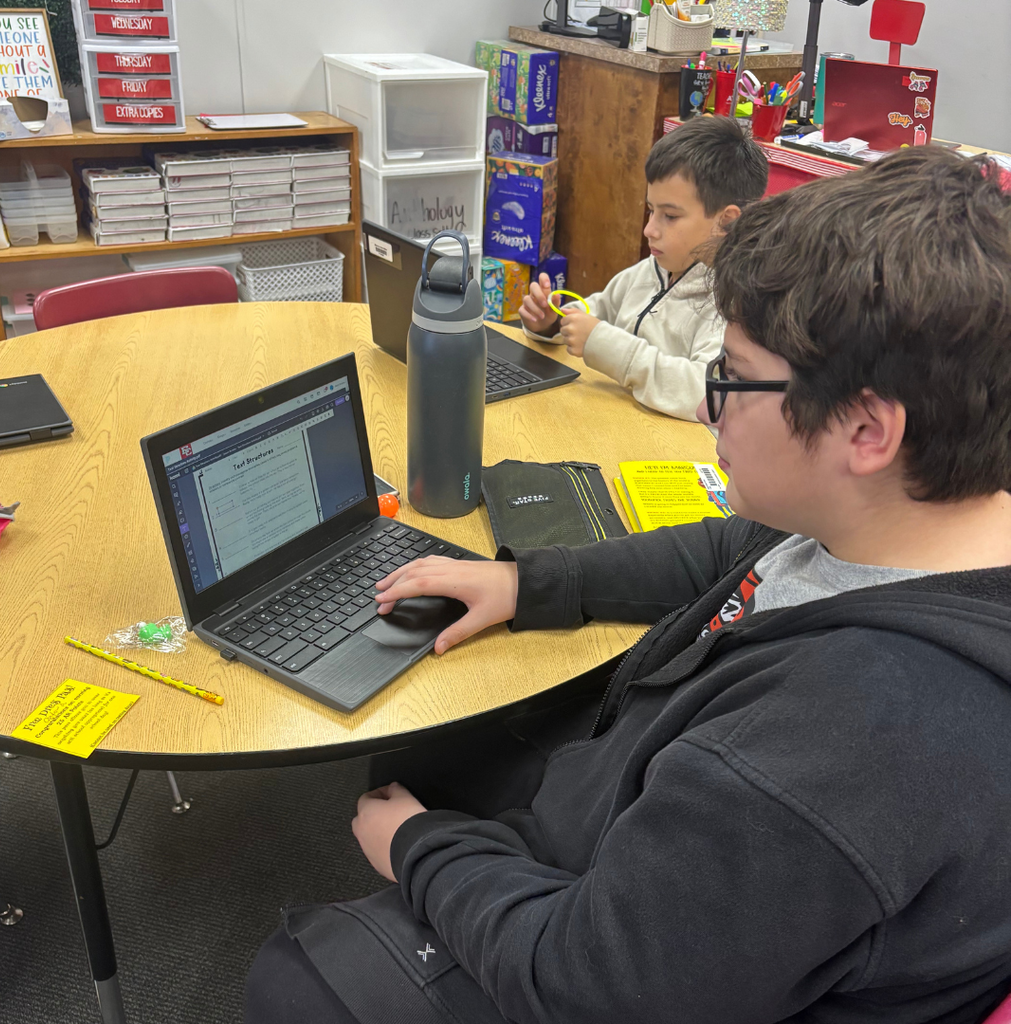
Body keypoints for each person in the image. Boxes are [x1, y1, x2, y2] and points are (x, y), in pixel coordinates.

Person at [245, 147, 1011, 1024]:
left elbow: (587, 986)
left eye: (732, 379)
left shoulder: (836, 753)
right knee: (428, 756)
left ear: (867, 430)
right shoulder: (908, 520)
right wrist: (522, 581)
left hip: (617, 954)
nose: (712, 405)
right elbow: (731, 549)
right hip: (673, 844)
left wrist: (419, 850)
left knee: (297, 982)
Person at [518, 115, 768, 420]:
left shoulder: (734, 305)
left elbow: (706, 394)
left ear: (726, 221)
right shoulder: (651, 270)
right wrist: (552, 323)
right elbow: (596, 315)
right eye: (651, 210)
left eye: (670, 216)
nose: (649, 229)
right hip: (616, 424)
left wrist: (608, 347)